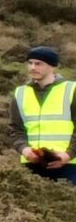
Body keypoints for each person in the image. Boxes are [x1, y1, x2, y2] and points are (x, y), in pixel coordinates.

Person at [14, 46, 71, 183]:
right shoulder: (20, 93)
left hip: (69, 166)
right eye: (30, 63)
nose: (33, 67)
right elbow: (15, 129)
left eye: (38, 64)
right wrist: (25, 149)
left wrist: (67, 155)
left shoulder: (71, 90)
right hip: (31, 164)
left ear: (52, 66)